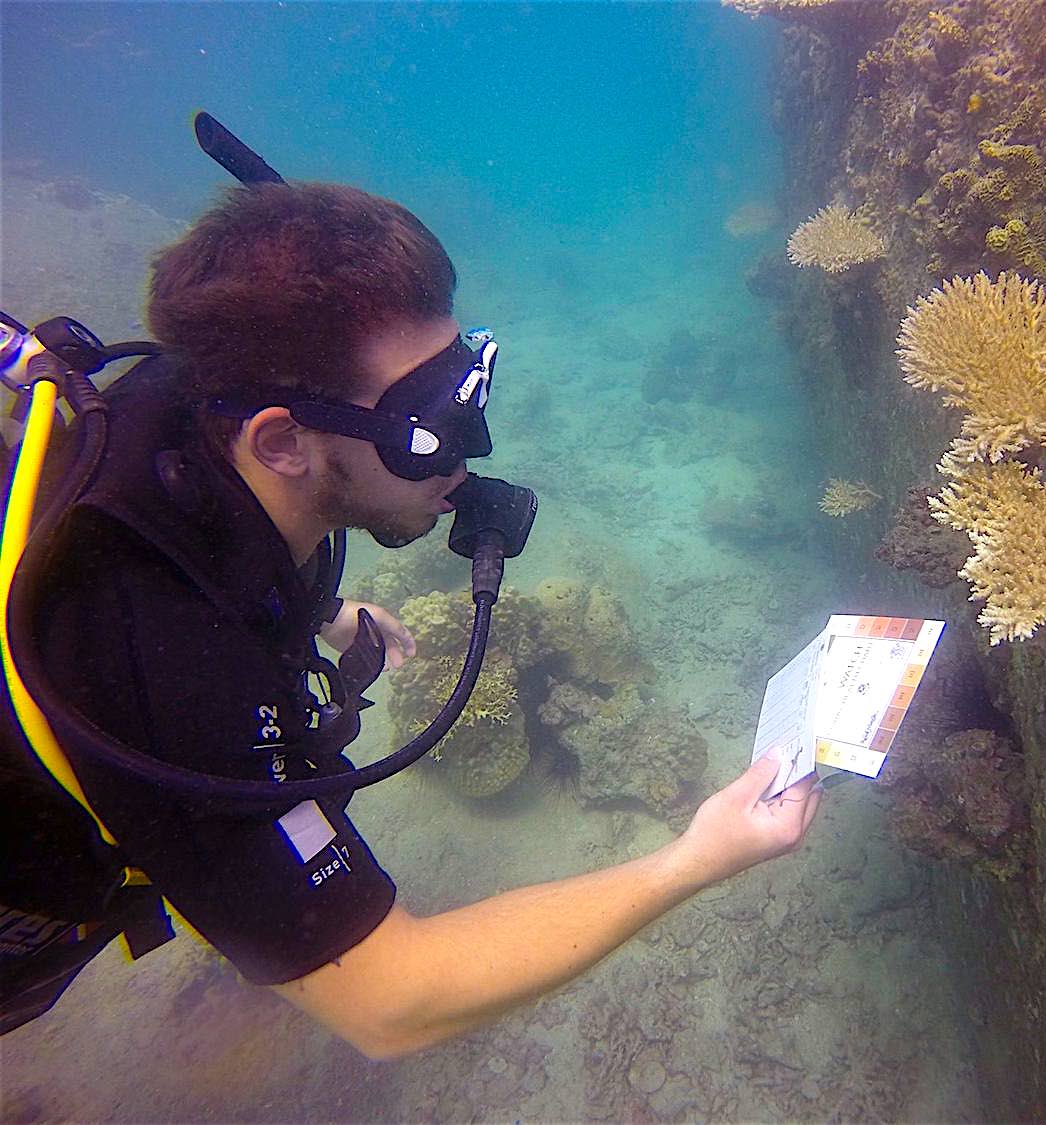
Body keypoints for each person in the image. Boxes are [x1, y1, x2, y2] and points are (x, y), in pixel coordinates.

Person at [0, 181, 820, 1057]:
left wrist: (321, 610)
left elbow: (214, 538)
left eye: (468, 384)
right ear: (281, 442)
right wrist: (697, 857)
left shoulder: (196, 398)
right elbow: (392, 1000)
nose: (470, 452)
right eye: (426, 424)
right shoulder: (159, 662)